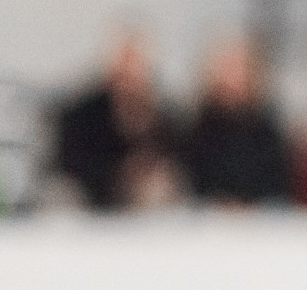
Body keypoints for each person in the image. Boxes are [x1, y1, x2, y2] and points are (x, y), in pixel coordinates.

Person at [52, 27, 183, 210]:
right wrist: (118, 173)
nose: (129, 70)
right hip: (93, 199)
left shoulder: (162, 115)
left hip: (146, 205)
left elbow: (175, 157)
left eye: (135, 62)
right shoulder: (81, 114)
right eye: (124, 60)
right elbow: (71, 162)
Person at [181, 37, 293, 205]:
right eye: (227, 69)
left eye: (239, 69)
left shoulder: (266, 130)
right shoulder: (198, 129)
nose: (233, 78)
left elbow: (276, 184)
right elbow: (193, 181)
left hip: (259, 217)